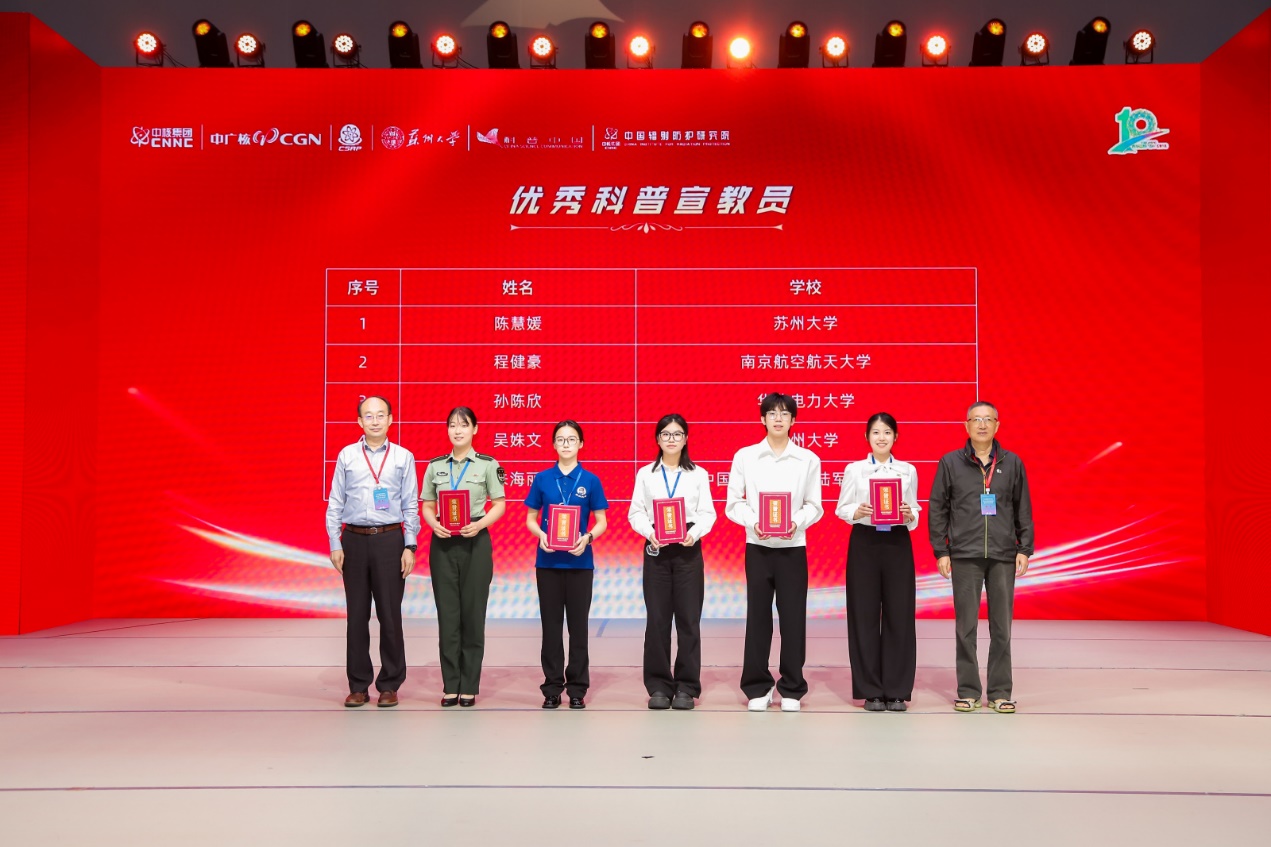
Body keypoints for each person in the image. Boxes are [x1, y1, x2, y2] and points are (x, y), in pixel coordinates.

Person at [928, 401, 1034, 714]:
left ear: (998, 425)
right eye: (976, 419)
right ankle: (969, 691)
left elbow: (1023, 508)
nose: (983, 425)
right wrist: (941, 550)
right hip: (964, 554)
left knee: (1002, 627)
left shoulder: (1012, 463)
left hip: (1003, 555)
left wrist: (1024, 548)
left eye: (988, 419)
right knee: (966, 627)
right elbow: (938, 508)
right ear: (967, 425)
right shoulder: (950, 462)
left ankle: (1000, 692)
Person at [725, 392, 824, 712]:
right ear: (762, 419)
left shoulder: (808, 459)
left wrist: (796, 523)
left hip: (793, 548)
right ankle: (758, 686)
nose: (778, 418)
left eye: (784, 413)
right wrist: (755, 523)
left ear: (793, 420)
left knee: (793, 619)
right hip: (758, 547)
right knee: (758, 617)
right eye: (772, 413)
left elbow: (815, 506)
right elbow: (733, 504)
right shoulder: (746, 457)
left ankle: (792, 687)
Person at [325, 396, 420, 708]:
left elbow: (410, 505)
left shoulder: (403, 457)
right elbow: (335, 502)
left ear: (391, 419)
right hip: (353, 540)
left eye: (381, 415)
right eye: (369, 416)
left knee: (390, 616)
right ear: (359, 421)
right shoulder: (347, 455)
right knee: (356, 617)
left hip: (390, 540)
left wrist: (409, 545)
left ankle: (390, 684)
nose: (375, 421)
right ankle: (358, 685)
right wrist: (335, 543)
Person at [627, 414, 717, 710]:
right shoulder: (646, 474)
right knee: (657, 620)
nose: (671, 439)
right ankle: (658, 686)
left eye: (677, 434)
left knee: (689, 620)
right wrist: (650, 533)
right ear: (657, 439)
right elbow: (635, 512)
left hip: (688, 549)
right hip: (657, 548)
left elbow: (708, 513)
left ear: (686, 439)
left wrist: (694, 534)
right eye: (666, 434)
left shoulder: (698, 474)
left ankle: (686, 687)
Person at [420, 406, 506, 708]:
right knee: (448, 617)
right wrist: (433, 524)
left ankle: (468, 685)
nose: (457, 430)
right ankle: (450, 685)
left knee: (472, 614)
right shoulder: (435, 466)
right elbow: (427, 505)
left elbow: (499, 504)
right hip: (443, 543)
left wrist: (480, 525)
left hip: (475, 542)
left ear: (475, 429)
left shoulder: (488, 465)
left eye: (464, 425)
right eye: (452, 425)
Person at [835, 413, 921, 712]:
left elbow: (915, 508)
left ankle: (897, 691)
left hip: (897, 543)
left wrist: (910, 515)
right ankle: (870, 690)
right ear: (867, 437)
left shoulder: (907, 470)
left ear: (895, 437)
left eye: (887, 432)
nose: (881, 438)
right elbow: (841, 507)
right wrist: (856, 512)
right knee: (864, 615)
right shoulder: (854, 469)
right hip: (865, 543)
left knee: (900, 615)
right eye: (875, 432)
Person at [524, 420, 609, 710]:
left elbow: (601, 521)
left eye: (571, 439)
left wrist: (587, 538)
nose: (566, 444)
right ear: (553, 444)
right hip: (547, 563)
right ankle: (551, 688)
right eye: (560, 439)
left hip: (580, 564)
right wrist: (541, 535)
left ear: (580, 444)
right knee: (550, 629)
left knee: (578, 629)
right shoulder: (542, 479)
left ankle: (577, 689)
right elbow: (530, 519)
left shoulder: (591, 480)